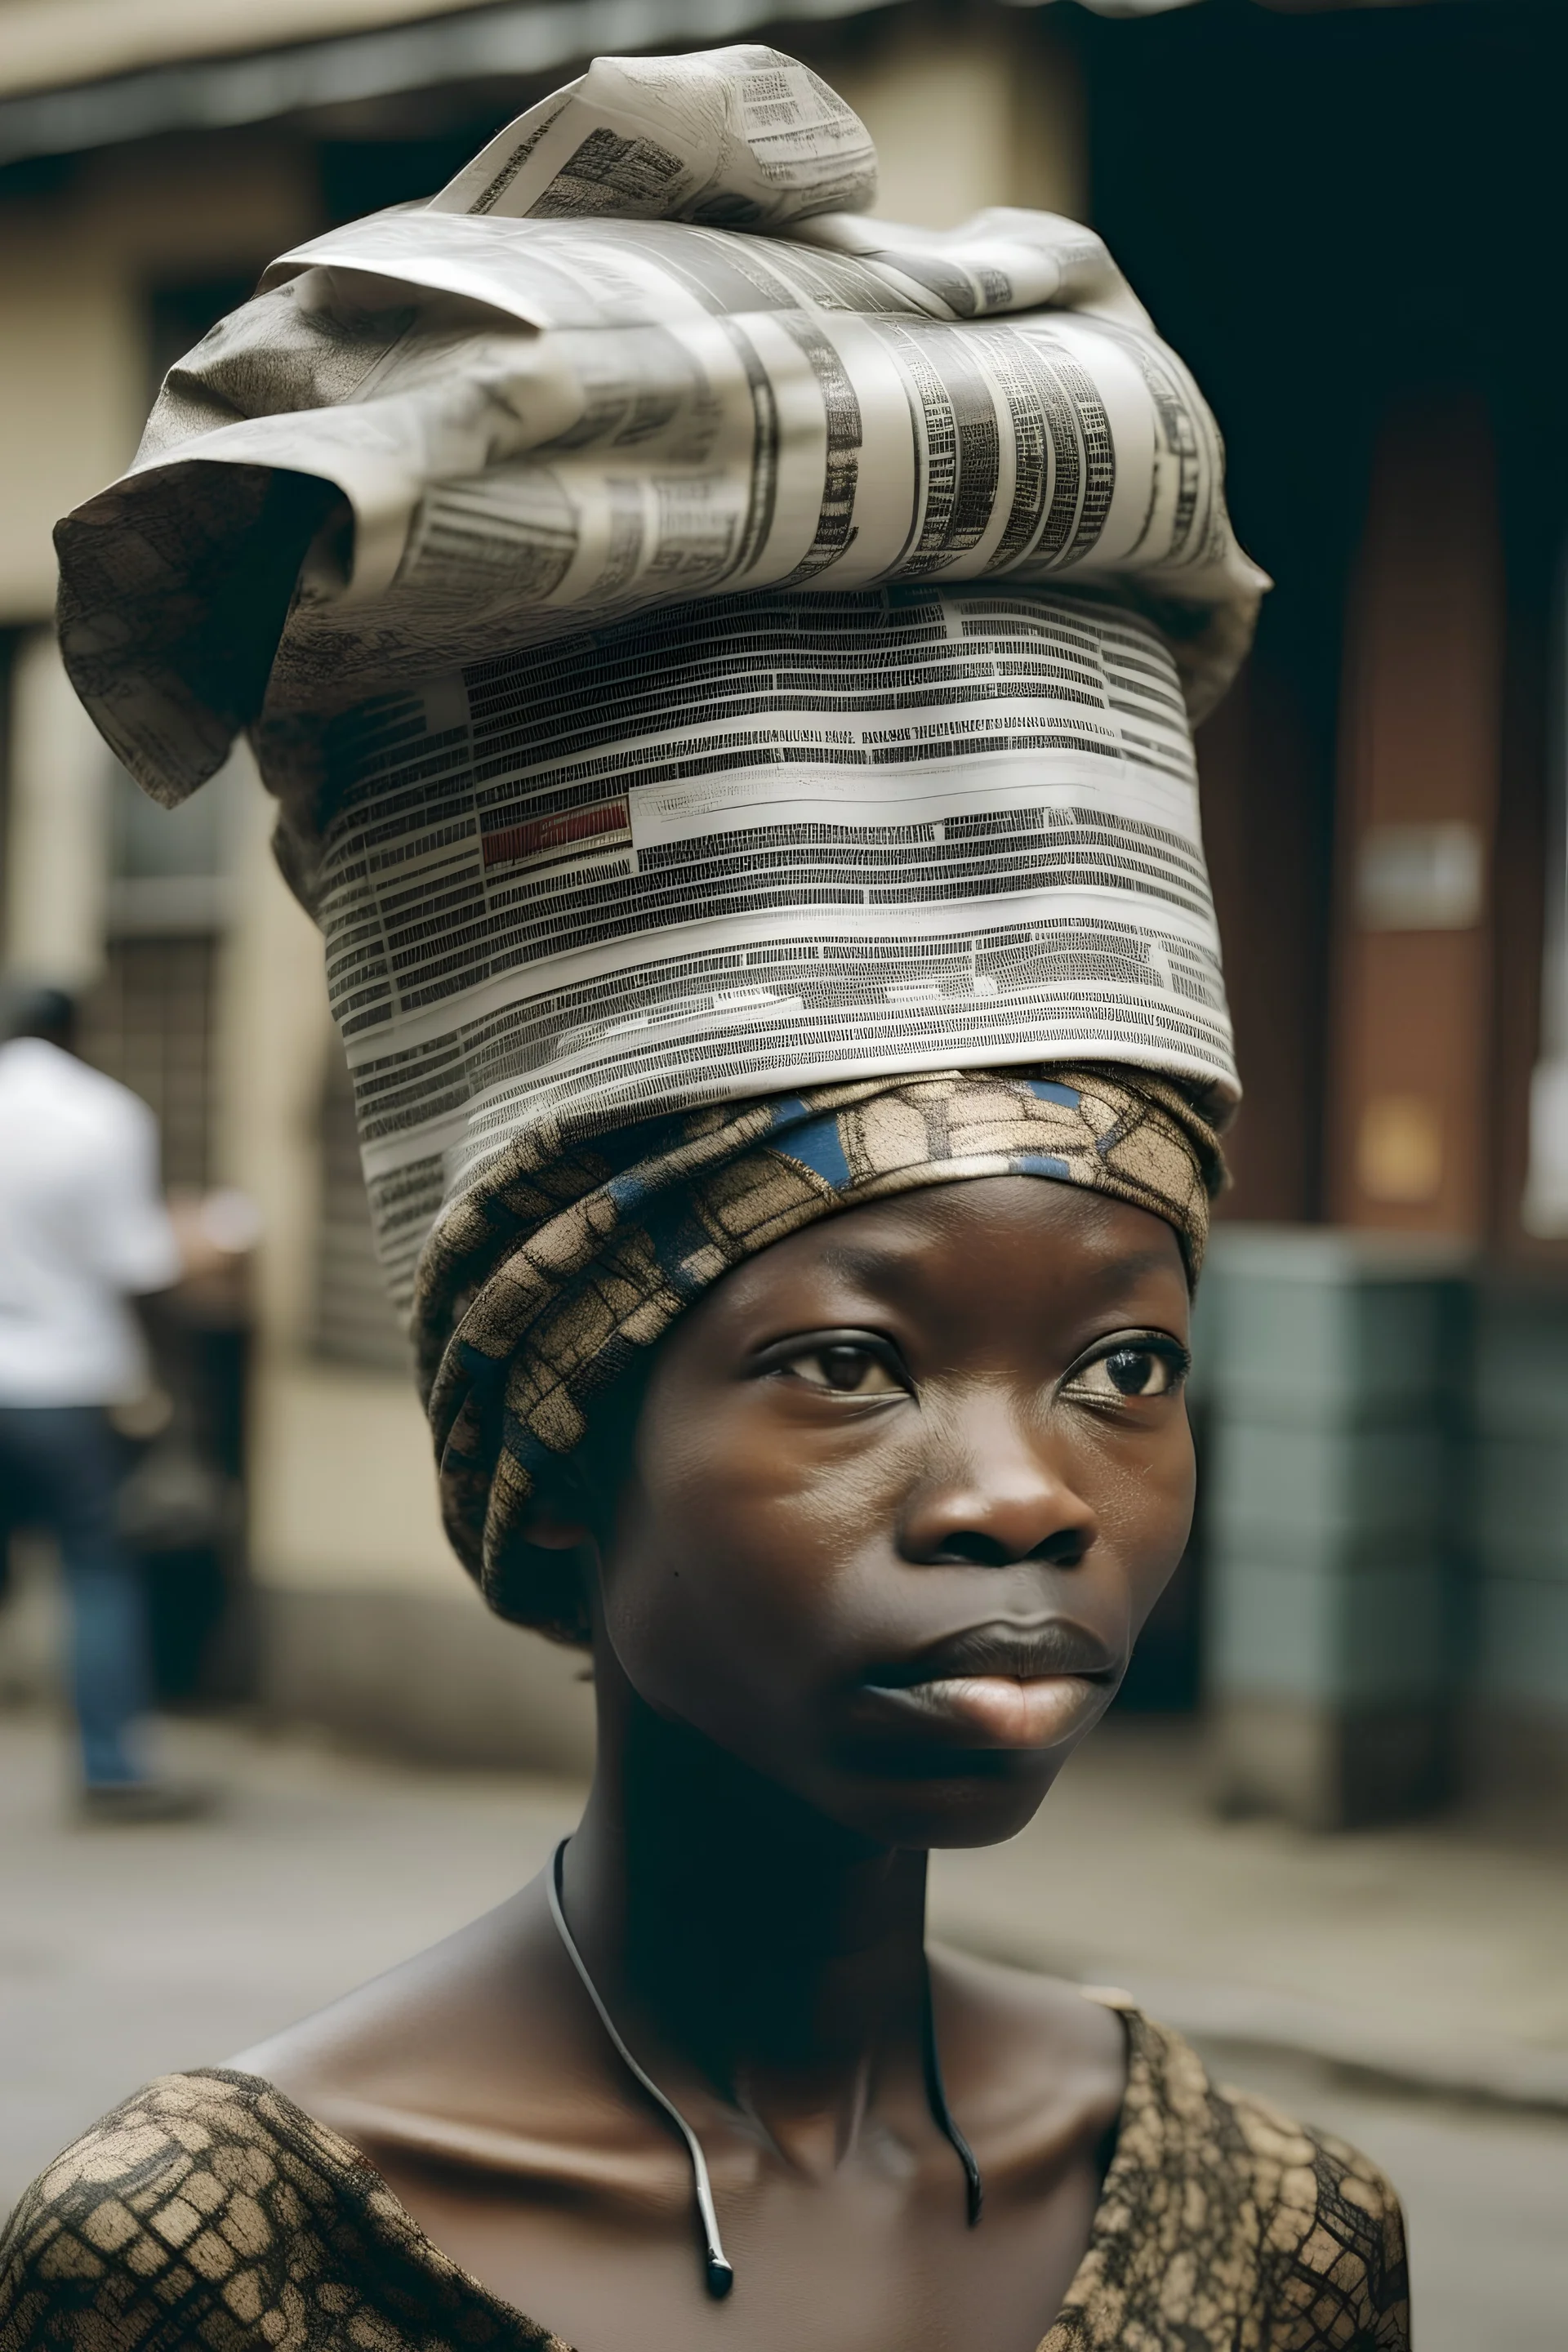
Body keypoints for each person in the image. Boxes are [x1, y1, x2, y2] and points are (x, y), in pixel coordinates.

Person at [1, 48, 1408, 2351]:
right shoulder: (208, 2272)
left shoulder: (1288, 2243)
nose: (1024, 1496)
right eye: (851, 1360)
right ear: (550, 1456)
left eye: (1124, 1364)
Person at [0, 982, 198, 1819]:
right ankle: (112, 1766)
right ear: (77, 1031)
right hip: (71, 1384)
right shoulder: (104, 1116)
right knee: (97, 1571)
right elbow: (139, 1263)